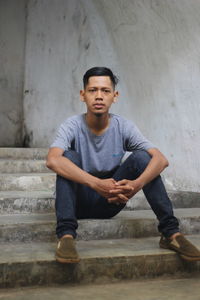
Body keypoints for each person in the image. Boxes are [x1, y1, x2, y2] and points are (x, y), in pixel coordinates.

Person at [46, 67, 200, 263]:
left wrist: (137, 185)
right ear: (82, 95)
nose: (99, 96)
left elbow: (161, 160)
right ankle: (66, 236)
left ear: (115, 96)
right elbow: (52, 160)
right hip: (78, 201)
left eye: (105, 91)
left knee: (143, 158)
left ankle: (171, 234)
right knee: (67, 156)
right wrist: (96, 183)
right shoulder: (72, 125)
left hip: (111, 200)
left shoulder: (123, 126)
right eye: (93, 91)